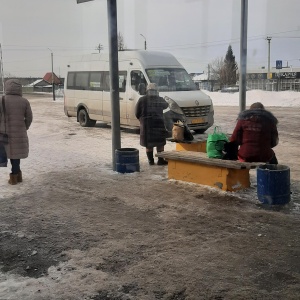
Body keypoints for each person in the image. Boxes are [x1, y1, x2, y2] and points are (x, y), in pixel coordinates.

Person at [0, 79, 33, 184]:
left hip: (4, 132)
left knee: (9, 152)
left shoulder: (1, 100)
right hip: (19, 132)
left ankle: (14, 177)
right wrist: (24, 127)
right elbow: (29, 117)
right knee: (16, 154)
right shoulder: (24, 101)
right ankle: (17, 175)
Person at [135, 83, 169, 165]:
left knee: (149, 145)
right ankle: (160, 160)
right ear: (156, 91)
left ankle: (151, 161)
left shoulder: (142, 99)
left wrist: (142, 120)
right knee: (160, 144)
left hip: (147, 126)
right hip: (158, 124)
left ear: (147, 91)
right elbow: (166, 105)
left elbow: (137, 113)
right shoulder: (160, 99)